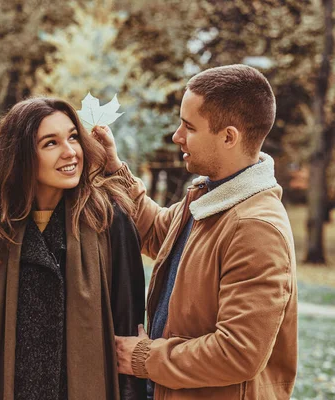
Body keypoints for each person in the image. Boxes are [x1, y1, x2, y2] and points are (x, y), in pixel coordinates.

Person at [94, 64, 298, 399]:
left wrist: (145, 358)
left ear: (228, 136)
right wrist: (114, 170)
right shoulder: (211, 196)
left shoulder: (255, 228)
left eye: (189, 126)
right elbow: (159, 233)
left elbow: (237, 353)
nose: (177, 136)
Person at [0, 97, 147, 399]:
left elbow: (127, 336)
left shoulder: (109, 221)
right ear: (21, 157)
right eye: (50, 143)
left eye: (73, 137)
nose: (70, 152)